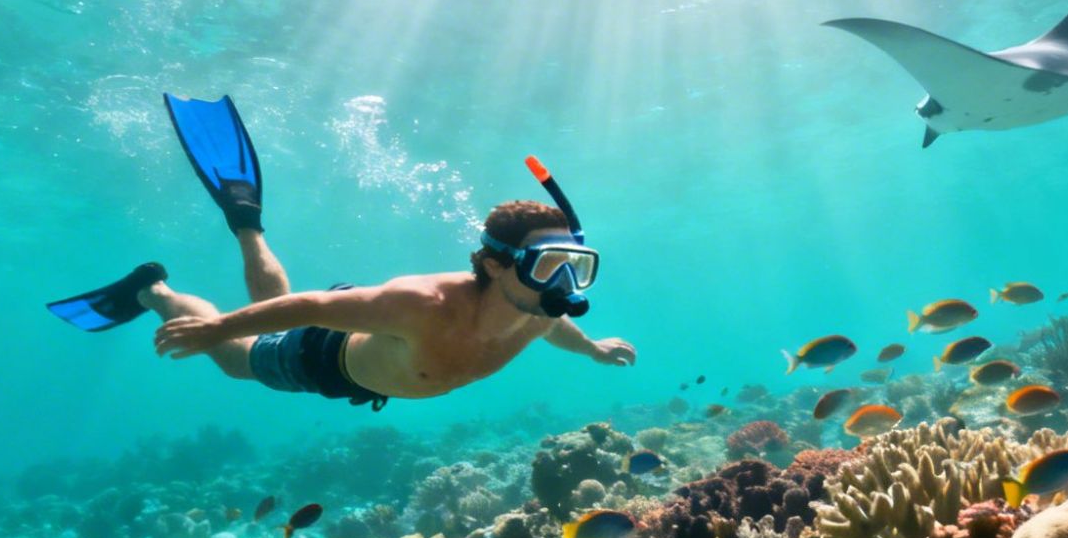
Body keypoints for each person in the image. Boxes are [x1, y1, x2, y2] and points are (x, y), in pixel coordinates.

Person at [46, 94, 635, 409]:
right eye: (547, 265)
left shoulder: (538, 310)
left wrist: (592, 350)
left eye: (574, 266)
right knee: (237, 358)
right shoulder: (424, 303)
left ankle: (247, 226)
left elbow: (555, 329)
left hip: (363, 336)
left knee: (276, 305)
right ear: (495, 264)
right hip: (322, 356)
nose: (563, 284)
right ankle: (156, 289)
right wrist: (213, 330)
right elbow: (307, 309)